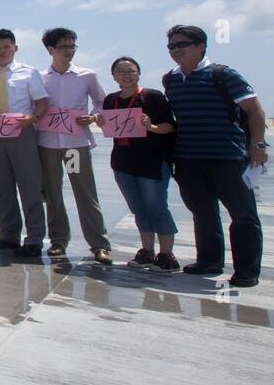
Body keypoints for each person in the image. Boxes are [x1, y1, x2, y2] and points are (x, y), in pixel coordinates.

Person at [161, 25, 266, 287]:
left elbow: (254, 110)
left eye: (182, 44)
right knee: (202, 212)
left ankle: (246, 270)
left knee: (242, 215)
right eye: (172, 46)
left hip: (228, 157)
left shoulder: (222, 74)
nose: (176, 50)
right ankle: (209, 261)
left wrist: (258, 145)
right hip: (188, 158)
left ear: (200, 46)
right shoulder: (171, 80)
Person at [96, 56, 179, 271]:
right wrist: (101, 122)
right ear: (113, 76)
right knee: (138, 209)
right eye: (120, 72)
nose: (126, 75)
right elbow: (109, 129)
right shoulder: (111, 100)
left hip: (151, 162)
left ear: (138, 73)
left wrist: (150, 126)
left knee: (157, 207)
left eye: (130, 71)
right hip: (123, 163)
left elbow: (170, 126)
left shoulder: (152, 97)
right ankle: (147, 251)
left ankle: (167, 255)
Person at [38, 27, 113, 264]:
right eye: (64, 46)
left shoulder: (86, 75)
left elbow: (102, 102)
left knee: (85, 193)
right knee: (53, 195)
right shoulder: (40, 78)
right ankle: (58, 241)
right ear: (51, 50)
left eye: (72, 46)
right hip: (48, 143)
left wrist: (92, 116)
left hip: (74, 144)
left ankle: (99, 244)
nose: (69, 51)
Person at [0, 29, 49, 258]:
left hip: (22, 133)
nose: (2, 51)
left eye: (6, 47)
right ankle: (8, 234)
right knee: (2, 187)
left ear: (15, 48)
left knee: (29, 186)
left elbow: (41, 102)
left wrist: (33, 119)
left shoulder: (28, 73)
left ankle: (35, 238)